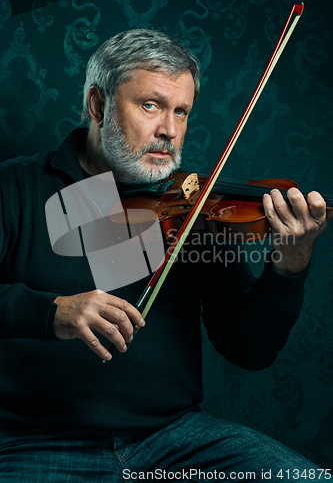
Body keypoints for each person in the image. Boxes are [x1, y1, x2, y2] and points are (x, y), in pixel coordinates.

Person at [0, 29, 331, 482]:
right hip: (35, 440)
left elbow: (247, 347)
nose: (170, 131)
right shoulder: (16, 187)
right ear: (98, 105)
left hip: (173, 440)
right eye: (151, 105)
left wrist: (289, 265)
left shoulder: (192, 207)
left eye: (182, 112)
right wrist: (51, 311)